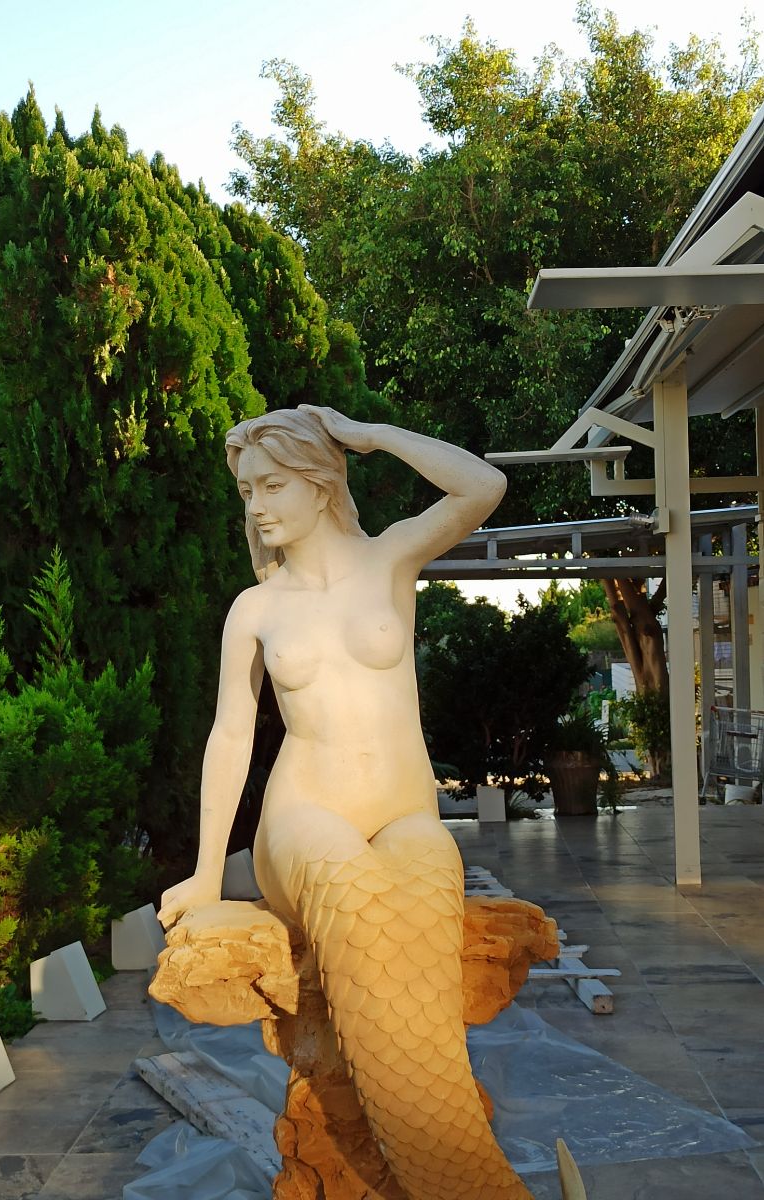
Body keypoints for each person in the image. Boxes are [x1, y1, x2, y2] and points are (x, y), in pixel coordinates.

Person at [158, 405, 533, 1200]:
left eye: (272, 485)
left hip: (405, 811)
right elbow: (230, 736)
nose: (256, 505)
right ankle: (457, 1176)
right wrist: (204, 874)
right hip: (305, 815)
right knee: (351, 899)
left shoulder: (389, 557)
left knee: (421, 917)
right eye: (246, 489)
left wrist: (367, 435)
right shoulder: (255, 608)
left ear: (322, 484)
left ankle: (452, 1162)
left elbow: (481, 485)